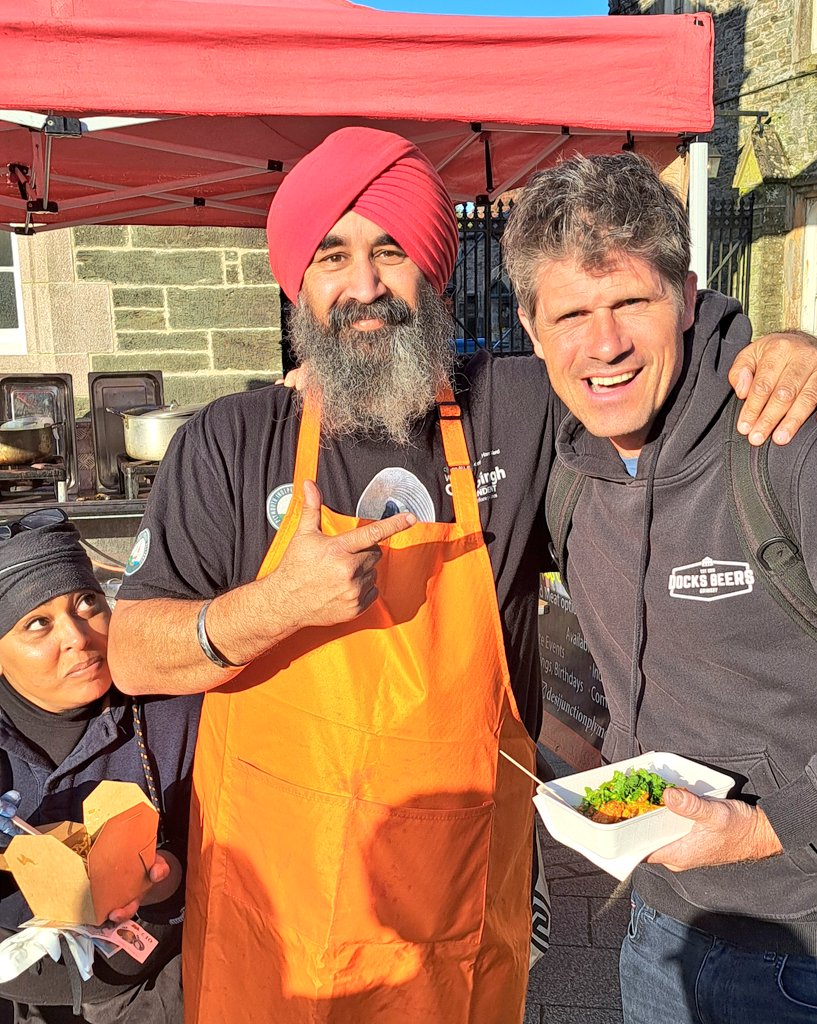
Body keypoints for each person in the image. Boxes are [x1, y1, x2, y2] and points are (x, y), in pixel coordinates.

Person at [107, 127, 817, 1024]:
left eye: (391, 251)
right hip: (276, 913)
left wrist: (784, 348)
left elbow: (647, 359)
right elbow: (132, 654)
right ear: (296, 281)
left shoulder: (519, 408)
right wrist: (270, 608)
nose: (364, 288)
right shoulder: (229, 440)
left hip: (456, 897)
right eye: (332, 257)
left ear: (434, 270)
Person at [502, 151, 817, 1023]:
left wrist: (764, 826)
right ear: (530, 328)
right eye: (571, 313)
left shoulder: (784, 437)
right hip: (657, 933)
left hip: (802, 944)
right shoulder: (561, 463)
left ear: (684, 294)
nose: (602, 345)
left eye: (630, 302)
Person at [0, 508, 200, 1024]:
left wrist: (163, 876)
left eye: (87, 601)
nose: (78, 636)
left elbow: (230, 848)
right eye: (36, 623)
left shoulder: (170, 708)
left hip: (153, 988)